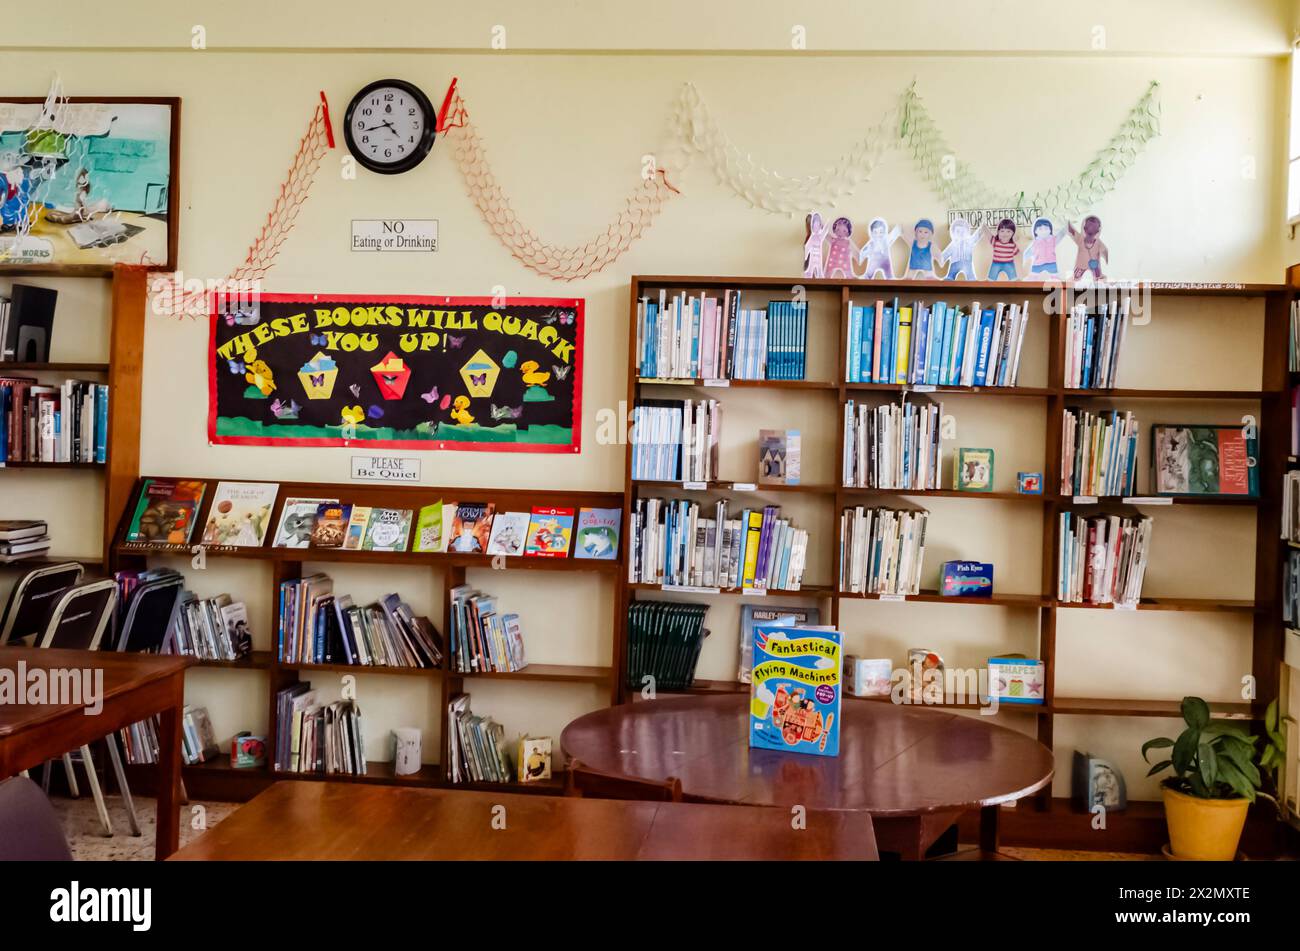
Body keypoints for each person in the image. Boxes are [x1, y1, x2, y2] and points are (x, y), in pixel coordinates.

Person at [1068, 215, 1108, 281]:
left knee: (1075, 278)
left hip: (1082, 265)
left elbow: (1071, 231)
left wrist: (1068, 222)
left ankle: (1076, 279)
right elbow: (1105, 251)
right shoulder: (1098, 243)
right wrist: (1106, 259)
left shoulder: (1080, 239)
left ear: (1084, 228)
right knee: (1098, 277)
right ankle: (1099, 280)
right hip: (1093, 266)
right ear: (1098, 230)